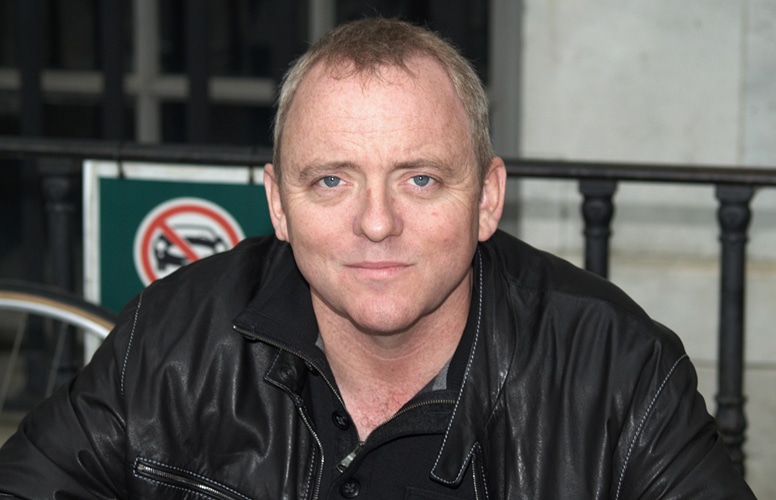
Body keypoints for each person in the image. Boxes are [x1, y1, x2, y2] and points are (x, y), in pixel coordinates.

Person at [0, 17, 755, 499]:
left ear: (487, 199)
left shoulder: (618, 370)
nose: (376, 222)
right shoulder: (172, 341)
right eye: (331, 180)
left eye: (419, 179)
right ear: (278, 204)